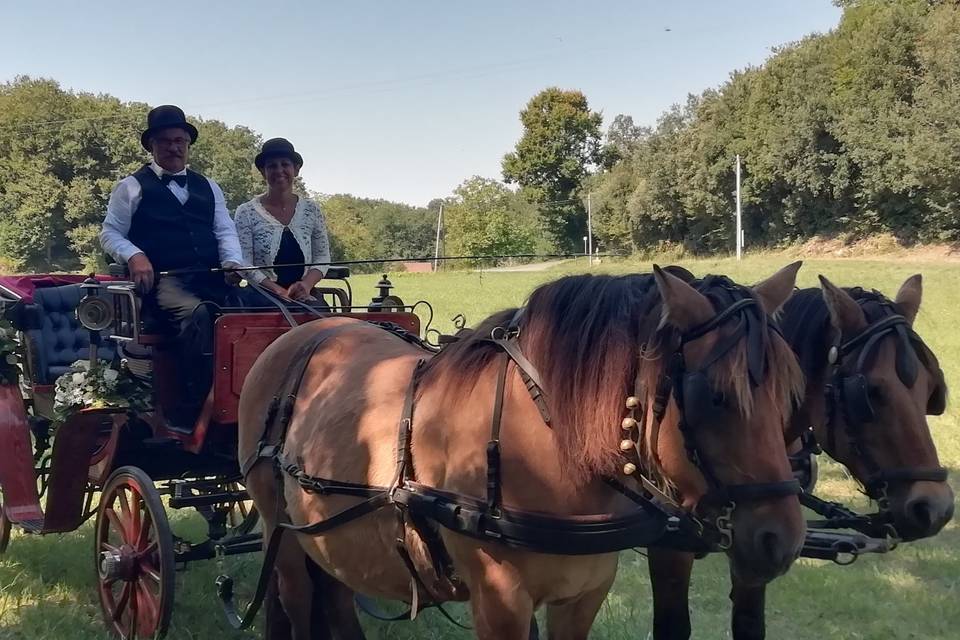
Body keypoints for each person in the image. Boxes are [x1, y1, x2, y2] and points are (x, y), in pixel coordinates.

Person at [100, 104, 245, 430]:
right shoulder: (131, 187)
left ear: (188, 145)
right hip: (165, 283)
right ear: (152, 145)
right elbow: (109, 233)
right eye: (165, 141)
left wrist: (233, 263)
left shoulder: (209, 186)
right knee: (197, 314)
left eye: (179, 140)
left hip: (210, 277)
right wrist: (135, 255)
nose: (173, 147)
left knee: (253, 311)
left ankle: (253, 393)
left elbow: (224, 231)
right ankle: (196, 406)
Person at [233, 138, 330, 303]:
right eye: (272, 166)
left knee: (328, 326)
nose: (279, 170)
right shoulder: (246, 212)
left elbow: (322, 257)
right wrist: (278, 291)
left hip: (305, 294)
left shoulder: (311, 210)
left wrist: (306, 285)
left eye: (285, 164)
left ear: (296, 170)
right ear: (263, 172)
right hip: (261, 296)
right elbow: (245, 263)